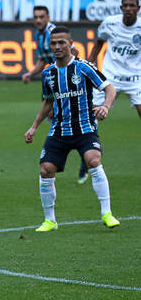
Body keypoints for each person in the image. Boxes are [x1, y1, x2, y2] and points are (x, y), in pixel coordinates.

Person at [24, 26, 120, 233]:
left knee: (93, 160)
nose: (57, 47)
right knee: (45, 170)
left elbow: (109, 89)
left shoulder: (84, 67)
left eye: (61, 43)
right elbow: (48, 102)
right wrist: (33, 127)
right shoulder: (48, 73)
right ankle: (50, 220)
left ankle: (107, 213)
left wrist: (105, 106)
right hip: (59, 131)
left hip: (85, 128)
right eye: (53, 44)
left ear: (70, 44)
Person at [22, 5, 89, 184]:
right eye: (35, 17)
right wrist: (30, 73)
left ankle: (84, 150)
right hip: (52, 81)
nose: (38, 20)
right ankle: (77, 148)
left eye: (41, 17)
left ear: (48, 17)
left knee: (65, 116)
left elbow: (75, 53)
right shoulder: (39, 36)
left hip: (67, 81)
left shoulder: (54, 33)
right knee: (52, 113)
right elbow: (43, 60)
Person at [87, 0, 141, 118]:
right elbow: (99, 43)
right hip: (110, 76)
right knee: (94, 113)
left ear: (138, 8)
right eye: (125, 5)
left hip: (135, 79)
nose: (128, 8)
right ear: (121, 8)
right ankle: (90, 138)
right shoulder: (109, 23)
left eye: (132, 6)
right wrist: (88, 65)